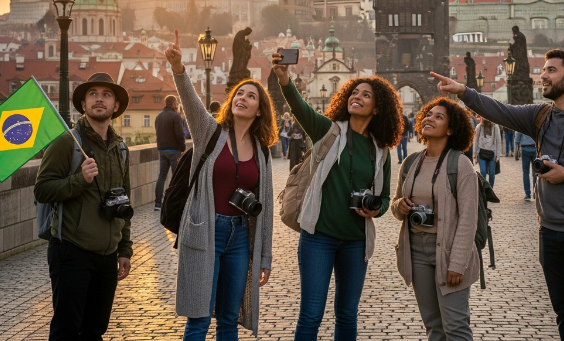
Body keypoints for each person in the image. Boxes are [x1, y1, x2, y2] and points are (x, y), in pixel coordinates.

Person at [432, 48, 564, 341]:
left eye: (551, 71)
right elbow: (500, 110)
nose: (543, 76)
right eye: (543, 70)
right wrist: (463, 92)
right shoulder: (541, 115)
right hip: (549, 232)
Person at [272, 50, 405, 341]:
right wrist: (284, 78)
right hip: (319, 237)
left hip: (356, 242)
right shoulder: (328, 131)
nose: (357, 96)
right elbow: (299, 107)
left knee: (347, 315)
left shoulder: (380, 150)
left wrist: (375, 210)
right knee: (311, 314)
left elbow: (383, 198)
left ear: (378, 107)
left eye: (366, 95)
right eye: (354, 92)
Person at [165, 41, 276, 340]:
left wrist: (264, 257)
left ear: (259, 110)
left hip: (240, 236)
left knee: (229, 319)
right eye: (239, 93)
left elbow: (266, 209)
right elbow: (190, 101)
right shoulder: (210, 133)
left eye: (251, 96)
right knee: (199, 318)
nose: (242, 98)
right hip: (206, 230)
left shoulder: (261, 151)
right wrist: (178, 68)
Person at [34, 72, 133, 340]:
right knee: (66, 331)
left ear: (115, 106)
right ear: (83, 104)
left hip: (107, 256)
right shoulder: (67, 142)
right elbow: (42, 189)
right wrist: (80, 179)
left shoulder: (121, 149)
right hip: (71, 251)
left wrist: (124, 249)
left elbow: (124, 200)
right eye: (93, 94)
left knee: (94, 331)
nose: (99, 99)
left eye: (106, 95)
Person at [392, 97, 479, 341]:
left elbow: (468, 218)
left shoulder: (460, 164)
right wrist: (400, 206)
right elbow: (396, 205)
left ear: (451, 129)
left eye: (438, 117)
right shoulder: (411, 162)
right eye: (428, 114)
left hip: (450, 251)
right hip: (417, 251)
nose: (430, 118)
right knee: (433, 326)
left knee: (456, 327)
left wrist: (458, 262)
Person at [154, 95, 186, 210]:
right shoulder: (175, 116)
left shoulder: (159, 116)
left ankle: (158, 203)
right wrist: (183, 148)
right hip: (174, 151)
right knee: (176, 177)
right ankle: (173, 203)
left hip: (162, 150)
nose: (177, 105)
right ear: (173, 104)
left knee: (161, 177)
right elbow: (180, 134)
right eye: (176, 103)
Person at [473, 118, 501, 187]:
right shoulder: (479, 127)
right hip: (481, 152)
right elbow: (475, 140)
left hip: (492, 153)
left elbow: (498, 141)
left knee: (492, 173)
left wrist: (498, 155)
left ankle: (490, 190)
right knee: (483, 173)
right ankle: (484, 190)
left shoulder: (495, 127)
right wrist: (474, 153)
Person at [515, 131, 538, 201]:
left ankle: (527, 194)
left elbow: (517, 139)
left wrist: (516, 153)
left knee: (525, 172)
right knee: (535, 172)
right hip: (535, 147)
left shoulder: (522, 121)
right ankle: (535, 192)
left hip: (524, 147)